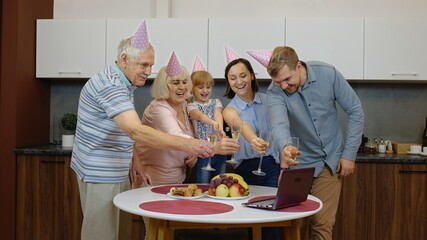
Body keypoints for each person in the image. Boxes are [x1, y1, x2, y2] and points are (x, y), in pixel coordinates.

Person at [70, 22, 214, 240]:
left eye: (151, 65)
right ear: (125, 59)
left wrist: (135, 159)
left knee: (120, 233)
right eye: (144, 65)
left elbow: (123, 130)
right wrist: (191, 144)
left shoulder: (124, 82)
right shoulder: (111, 86)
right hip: (100, 172)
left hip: (117, 168)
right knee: (101, 234)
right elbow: (136, 131)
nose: (148, 71)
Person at [131, 52, 240, 239]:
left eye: (184, 82)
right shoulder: (159, 108)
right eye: (175, 83)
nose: (182, 87)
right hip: (152, 181)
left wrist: (193, 154)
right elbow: (177, 136)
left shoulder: (182, 105)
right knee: (155, 233)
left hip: (175, 181)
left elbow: (188, 139)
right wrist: (215, 148)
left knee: (166, 232)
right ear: (164, 86)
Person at [266, 46, 364, 240]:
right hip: (298, 163)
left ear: (299, 66)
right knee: (294, 225)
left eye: (287, 79)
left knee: (322, 224)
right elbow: (279, 124)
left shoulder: (328, 74)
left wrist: (349, 154)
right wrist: (285, 147)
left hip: (329, 161)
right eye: (278, 82)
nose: (284, 86)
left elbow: (355, 111)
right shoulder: (275, 91)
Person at [222, 56, 281, 240]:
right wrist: (254, 140)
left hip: (272, 166)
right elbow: (239, 123)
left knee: (273, 219)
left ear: (252, 76)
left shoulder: (269, 100)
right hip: (245, 169)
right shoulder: (229, 109)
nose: (239, 82)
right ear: (228, 82)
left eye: (243, 75)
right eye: (233, 78)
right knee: (251, 219)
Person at [188, 59, 227, 183]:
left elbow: (218, 114)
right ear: (192, 89)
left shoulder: (216, 102)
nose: (205, 90)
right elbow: (198, 116)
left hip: (219, 150)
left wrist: (219, 127)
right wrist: (212, 123)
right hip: (203, 151)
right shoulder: (190, 105)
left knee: (221, 182)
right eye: (200, 87)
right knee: (203, 183)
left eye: (208, 87)